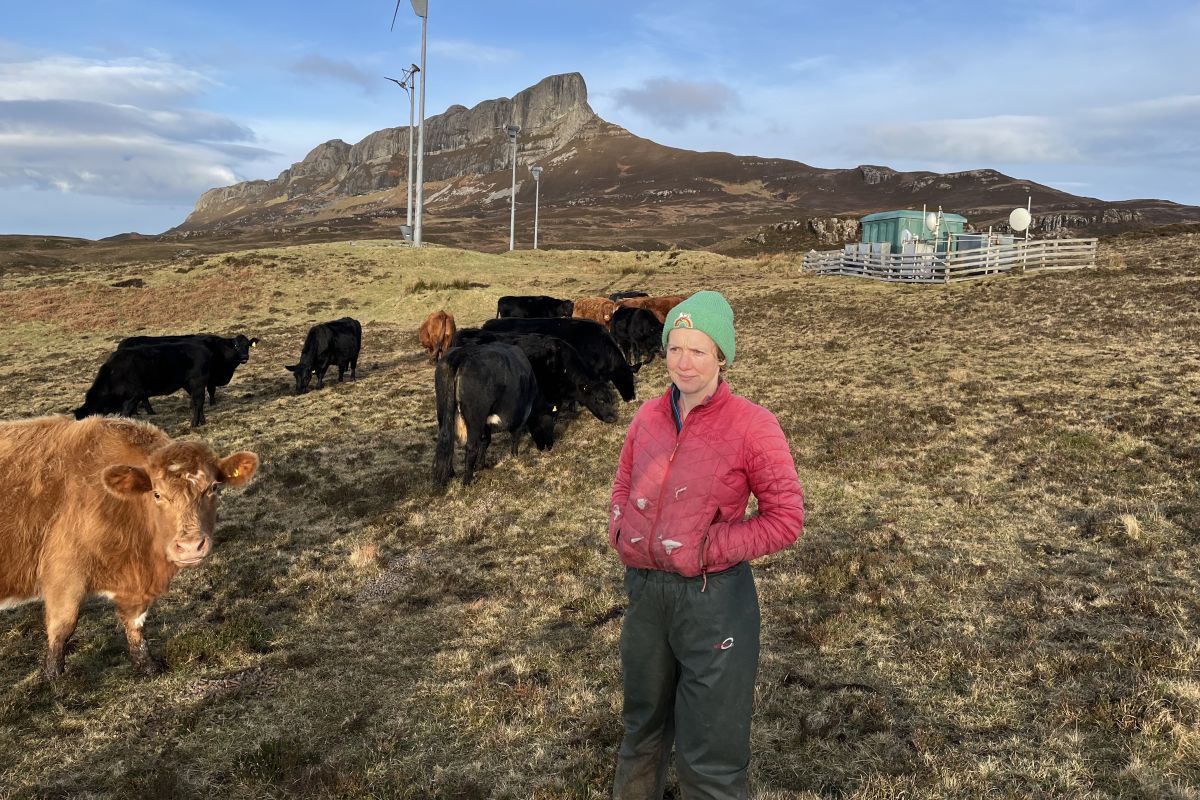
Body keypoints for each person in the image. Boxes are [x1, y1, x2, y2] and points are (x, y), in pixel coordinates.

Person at [608, 290, 805, 799]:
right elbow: (624, 483)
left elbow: (785, 519)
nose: (684, 362)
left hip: (713, 600)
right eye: (675, 348)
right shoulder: (647, 417)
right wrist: (620, 527)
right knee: (641, 730)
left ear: (722, 355)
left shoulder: (752, 425)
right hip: (647, 595)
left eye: (698, 350)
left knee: (710, 750)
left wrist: (705, 548)